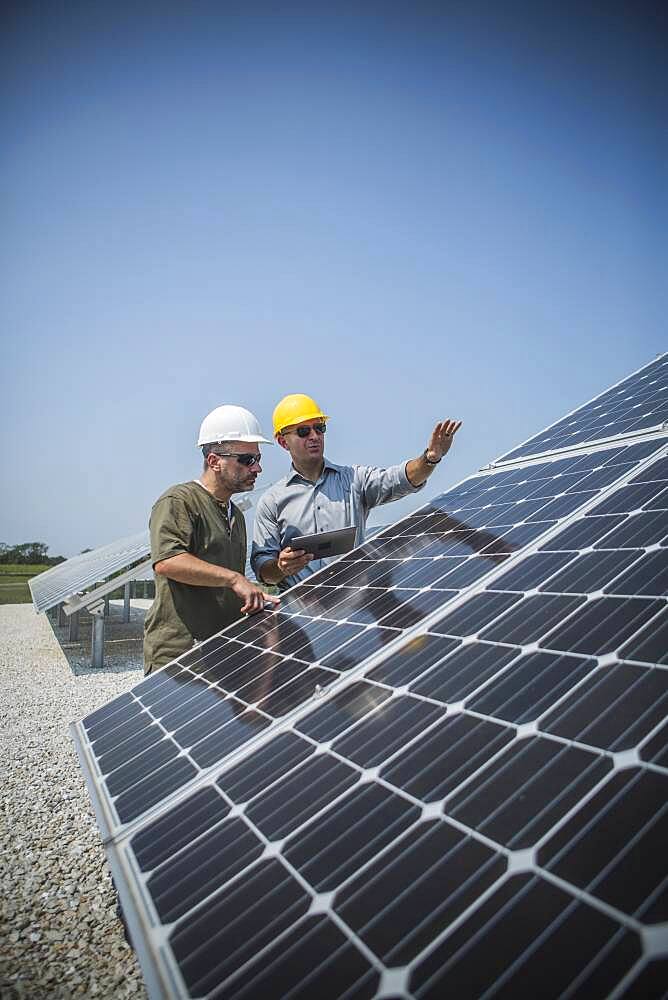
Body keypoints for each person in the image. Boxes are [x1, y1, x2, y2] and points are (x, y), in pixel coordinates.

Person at [251, 393, 462, 591]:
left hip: (355, 604)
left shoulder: (354, 479)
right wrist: (281, 567)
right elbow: (263, 570)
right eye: (304, 431)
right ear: (282, 441)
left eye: (319, 428)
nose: (314, 436)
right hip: (303, 617)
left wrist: (430, 458)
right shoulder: (272, 501)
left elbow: (401, 479)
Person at [143, 404, 280, 674]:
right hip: (181, 654)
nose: (258, 468)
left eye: (258, 458)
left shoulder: (236, 516)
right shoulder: (179, 500)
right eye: (246, 460)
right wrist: (234, 579)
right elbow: (168, 561)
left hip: (222, 650)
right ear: (214, 461)